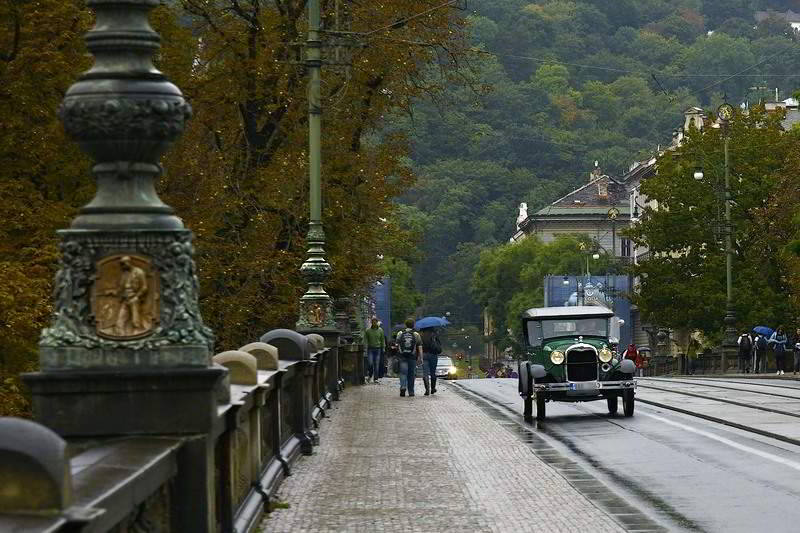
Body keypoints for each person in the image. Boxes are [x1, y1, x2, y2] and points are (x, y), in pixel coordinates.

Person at [396, 319, 422, 397]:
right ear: (413, 325)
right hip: (412, 357)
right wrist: (421, 357)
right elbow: (420, 346)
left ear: (405, 324)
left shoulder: (400, 333)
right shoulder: (416, 334)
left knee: (403, 373)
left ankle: (403, 387)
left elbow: (397, 344)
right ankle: (411, 391)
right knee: (411, 374)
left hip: (402, 356)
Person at [420, 327, 443, 395]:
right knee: (433, 372)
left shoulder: (421, 336)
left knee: (425, 373)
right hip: (433, 355)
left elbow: (419, 346)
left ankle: (427, 390)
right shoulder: (434, 335)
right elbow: (439, 346)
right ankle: (433, 388)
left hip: (424, 355)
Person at [364, 318, 386, 383]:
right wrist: (365, 347)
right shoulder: (368, 331)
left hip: (378, 348)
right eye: (373, 322)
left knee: (376, 364)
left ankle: (375, 378)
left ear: (377, 322)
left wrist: (383, 348)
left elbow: (382, 339)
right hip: (370, 348)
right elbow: (365, 339)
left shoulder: (380, 330)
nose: (374, 323)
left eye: (375, 322)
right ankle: (370, 375)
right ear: (371, 323)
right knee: (370, 363)